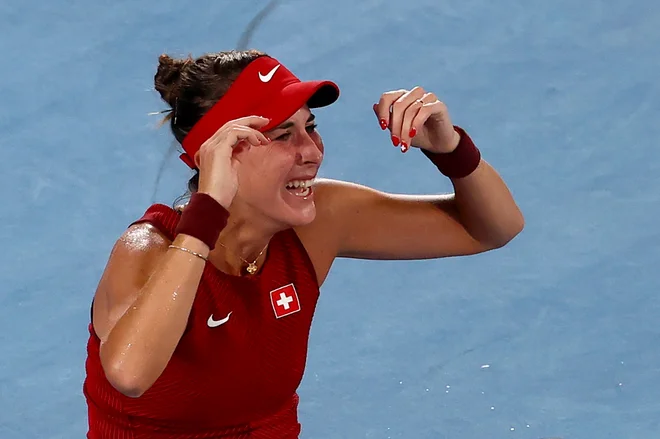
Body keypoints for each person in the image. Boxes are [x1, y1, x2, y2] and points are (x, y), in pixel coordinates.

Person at [82, 49, 524, 438]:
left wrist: (450, 148)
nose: (311, 150)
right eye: (281, 135)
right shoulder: (147, 250)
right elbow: (129, 372)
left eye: (310, 127)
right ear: (218, 155)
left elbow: (492, 228)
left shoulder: (320, 222)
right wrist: (208, 210)